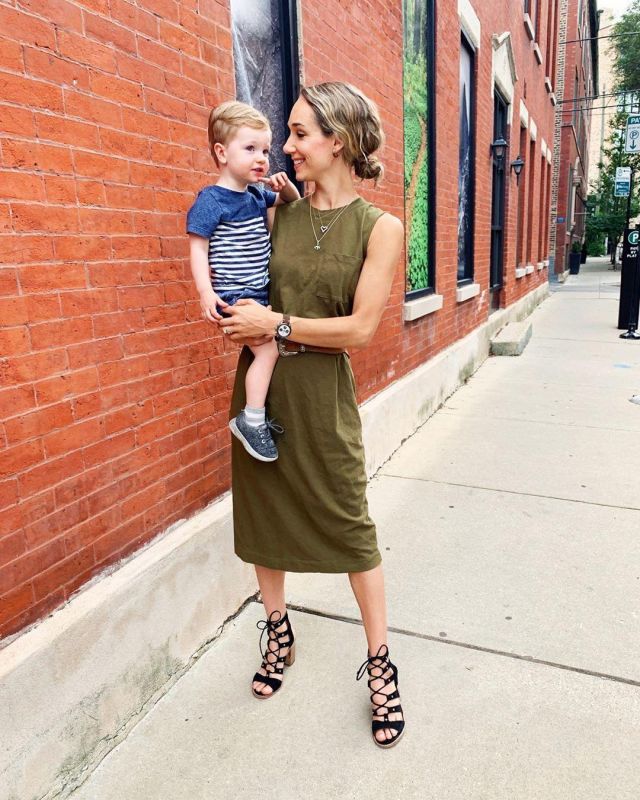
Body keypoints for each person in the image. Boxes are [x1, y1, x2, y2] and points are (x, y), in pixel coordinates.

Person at [217, 82, 405, 748]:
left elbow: (360, 330)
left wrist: (279, 321)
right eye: (287, 135)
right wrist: (236, 314)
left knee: (350, 524)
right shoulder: (281, 211)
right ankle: (278, 630)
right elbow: (245, 273)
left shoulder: (380, 228)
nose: (286, 147)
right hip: (262, 395)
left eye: (299, 134)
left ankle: (380, 663)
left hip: (323, 397)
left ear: (338, 142)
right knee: (267, 517)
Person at [186, 101, 299, 462]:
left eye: (265, 150)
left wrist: (286, 189)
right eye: (250, 149)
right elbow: (198, 248)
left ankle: (256, 415)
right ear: (221, 152)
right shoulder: (211, 200)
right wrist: (206, 291)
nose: (261, 158)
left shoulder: (256, 195)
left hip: (260, 293)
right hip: (236, 298)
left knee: (273, 350)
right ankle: (251, 420)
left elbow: (290, 206)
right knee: (268, 351)